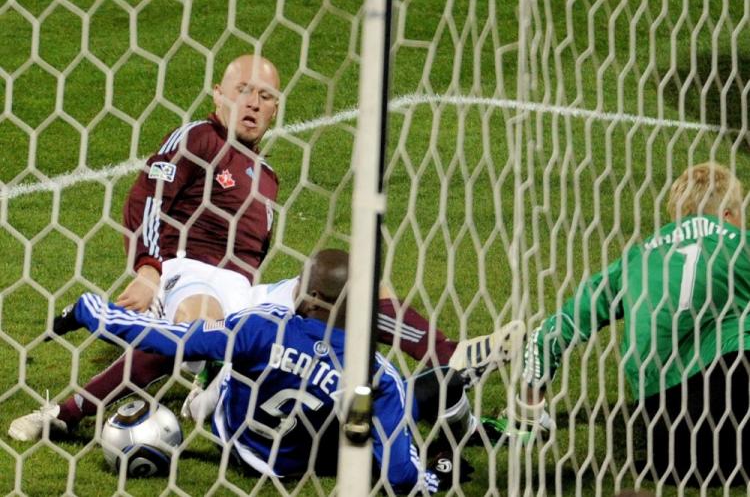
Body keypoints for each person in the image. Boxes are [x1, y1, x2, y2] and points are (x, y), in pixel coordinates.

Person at [8, 53, 510, 442]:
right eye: (242, 90)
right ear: (218, 94)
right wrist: (148, 271)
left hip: (244, 293)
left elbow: (251, 263)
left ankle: (450, 355)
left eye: (265, 95)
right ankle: (66, 413)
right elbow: (148, 199)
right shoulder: (199, 138)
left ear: (276, 109)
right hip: (188, 274)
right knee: (199, 325)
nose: (252, 102)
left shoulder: (267, 176)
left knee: (351, 282)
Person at [46, 249, 482, 493]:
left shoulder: (261, 327)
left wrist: (90, 311)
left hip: (234, 439)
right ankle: (466, 429)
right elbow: (400, 479)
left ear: (310, 299)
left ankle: (204, 387)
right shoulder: (374, 373)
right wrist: (435, 472)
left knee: (223, 352)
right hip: (303, 458)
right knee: (413, 395)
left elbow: (170, 340)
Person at [495, 163, 750, 486]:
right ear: (728, 215)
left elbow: (550, 334)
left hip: (671, 458)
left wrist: (529, 409)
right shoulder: (739, 244)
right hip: (735, 438)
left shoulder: (638, 257)